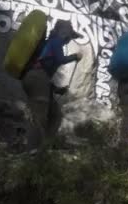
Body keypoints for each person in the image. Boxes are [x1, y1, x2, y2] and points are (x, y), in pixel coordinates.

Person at [21, 20, 83, 149]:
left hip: (38, 79)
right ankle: (33, 150)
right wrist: (74, 57)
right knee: (39, 115)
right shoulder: (55, 42)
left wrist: (56, 89)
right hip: (37, 77)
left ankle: (44, 147)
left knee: (55, 115)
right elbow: (59, 59)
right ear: (64, 33)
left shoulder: (49, 43)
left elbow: (45, 71)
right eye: (70, 37)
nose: (69, 40)